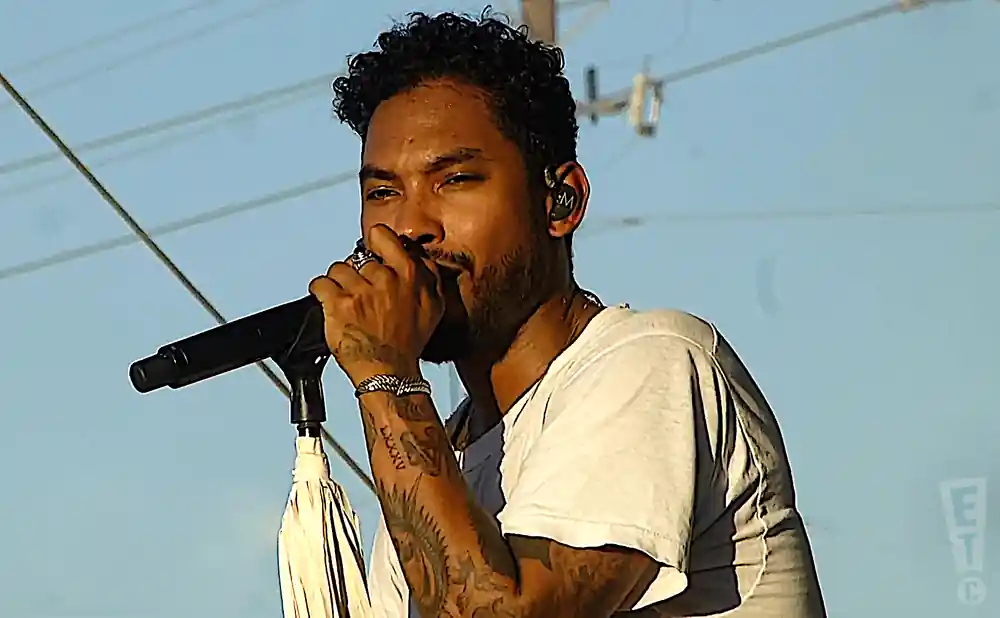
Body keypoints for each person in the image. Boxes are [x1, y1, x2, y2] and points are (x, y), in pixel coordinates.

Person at [307, 9, 827, 618]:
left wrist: (385, 379)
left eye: (456, 180)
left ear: (561, 202)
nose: (411, 226)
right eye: (383, 192)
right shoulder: (435, 456)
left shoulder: (652, 363)